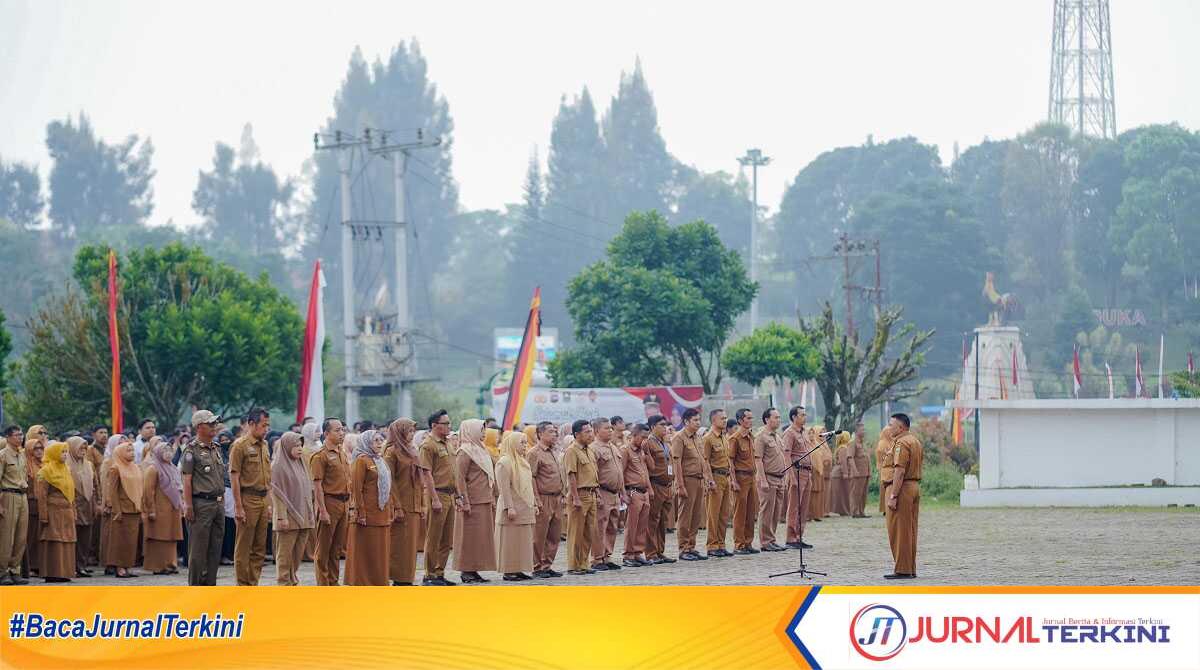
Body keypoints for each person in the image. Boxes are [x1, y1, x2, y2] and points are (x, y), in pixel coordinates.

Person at [181, 410, 227, 586]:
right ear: (200, 427)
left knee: (215, 550)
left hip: (217, 503)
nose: (215, 426)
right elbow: (186, 479)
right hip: (201, 504)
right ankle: (195, 588)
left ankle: (210, 586)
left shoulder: (215, 448)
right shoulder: (191, 450)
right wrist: (188, 506)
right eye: (211, 424)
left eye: (215, 423)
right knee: (198, 551)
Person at [229, 408, 272, 586]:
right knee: (244, 546)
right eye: (263, 425)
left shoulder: (265, 445)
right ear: (251, 424)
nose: (266, 429)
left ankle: (253, 583)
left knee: (259, 547)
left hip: (262, 499)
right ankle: (242, 584)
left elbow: (268, 477)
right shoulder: (240, 446)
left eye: (268, 425)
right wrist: (238, 507)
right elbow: (234, 477)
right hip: (247, 499)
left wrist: (268, 504)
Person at [346, 430, 392, 586]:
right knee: (366, 549)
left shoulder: (380, 460)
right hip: (368, 513)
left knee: (379, 549)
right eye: (376, 441)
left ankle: (378, 580)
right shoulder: (361, 461)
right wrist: (361, 512)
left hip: (381, 512)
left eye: (381, 440)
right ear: (366, 443)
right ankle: (363, 581)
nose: (380, 444)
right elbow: (356, 489)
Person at [453, 419, 497, 583]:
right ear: (471, 430)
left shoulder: (481, 449)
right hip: (471, 501)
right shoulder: (465, 451)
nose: (484, 432)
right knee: (469, 537)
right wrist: (464, 501)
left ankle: (474, 569)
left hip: (483, 499)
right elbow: (460, 478)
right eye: (481, 429)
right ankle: (466, 571)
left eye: (485, 429)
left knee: (479, 538)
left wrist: (491, 496)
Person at [270, 431, 315, 586]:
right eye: (295, 446)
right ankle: (283, 580)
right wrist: (282, 517)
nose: (299, 449)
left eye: (300, 445)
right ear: (287, 446)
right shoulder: (278, 466)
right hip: (288, 516)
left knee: (298, 551)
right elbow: (277, 495)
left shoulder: (302, 463)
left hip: (303, 512)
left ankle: (292, 576)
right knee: (285, 551)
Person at [419, 410, 457, 586]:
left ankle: (440, 572)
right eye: (446, 423)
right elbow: (426, 473)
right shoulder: (428, 445)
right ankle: (429, 574)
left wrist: (458, 495)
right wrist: (434, 498)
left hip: (449, 494)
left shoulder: (448, 443)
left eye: (449, 423)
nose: (449, 426)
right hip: (437, 493)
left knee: (447, 538)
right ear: (434, 425)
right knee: (433, 536)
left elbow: (452, 471)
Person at [311, 417, 351, 586]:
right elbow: (317, 486)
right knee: (324, 549)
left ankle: (333, 582)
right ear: (326, 433)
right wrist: (323, 510)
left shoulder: (341, 453)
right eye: (337, 430)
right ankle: (323, 584)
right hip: (329, 502)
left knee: (337, 548)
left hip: (344, 503)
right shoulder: (320, 456)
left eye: (342, 430)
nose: (341, 433)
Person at [382, 419, 421, 586]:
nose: (411, 434)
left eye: (413, 431)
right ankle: (398, 577)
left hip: (413, 503)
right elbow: (390, 482)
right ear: (400, 432)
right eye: (409, 431)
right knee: (400, 543)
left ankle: (407, 577)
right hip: (401, 504)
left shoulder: (411, 450)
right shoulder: (391, 452)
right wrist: (397, 506)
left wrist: (421, 504)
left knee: (411, 544)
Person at [885, 413, 923, 579]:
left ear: (900, 427)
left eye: (891, 424)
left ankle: (902, 569)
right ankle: (909, 568)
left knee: (899, 532)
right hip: (913, 486)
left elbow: (899, 471)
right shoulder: (914, 440)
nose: (889, 427)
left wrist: (893, 495)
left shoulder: (901, 443)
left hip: (902, 488)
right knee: (909, 531)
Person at [670, 408, 711, 562]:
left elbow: (703, 459)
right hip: (687, 480)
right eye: (695, 420)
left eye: (699, 420)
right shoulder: (679, 438)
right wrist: (680, 485)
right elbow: (676, 463)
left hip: (699, 480)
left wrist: (707, 478)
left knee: (696, 516)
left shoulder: (697, 437)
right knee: (685, 516)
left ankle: (691, 547)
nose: (698, 423)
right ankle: (683, 548)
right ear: (686, 421)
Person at [495, 431, 536, 581]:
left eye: (526, 442)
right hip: (512, 507)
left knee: (522, 540)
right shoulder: (504, 462)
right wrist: (509, 507)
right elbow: (504, 488)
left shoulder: (522, 460)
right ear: (512, 444)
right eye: (522, 443)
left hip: (524, 507)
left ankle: (518, 569)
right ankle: (509, 571)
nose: (525, 446)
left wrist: (534, 504)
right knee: (510, 541)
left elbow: (528, 486)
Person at [526, 422, 564, 579]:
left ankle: (547, 565)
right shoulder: (534, 453)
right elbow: (532, 477)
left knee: (554, 535)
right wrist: (536, 499)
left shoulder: (554, 451)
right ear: (540, 434)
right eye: (550, 432)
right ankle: (537, 566)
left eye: (555, 431)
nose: (555, 434)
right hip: (543, 497)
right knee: (539, 535)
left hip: (557, 498)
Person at [35, 441, 76, 582]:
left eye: (66, 452)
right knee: (54, 540)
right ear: (54, 453)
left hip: (67, 510)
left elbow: (71, 493)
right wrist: (44, 515)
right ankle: (53, 573)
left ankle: (65, 572)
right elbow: (41, 496)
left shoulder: (66, 469)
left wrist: (73, 511)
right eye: (62, 452)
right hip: (53, 511)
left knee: (67, 540)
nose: (64, 455)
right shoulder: (45, 471)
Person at [142, 439, 184, 575]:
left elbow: (178, 488)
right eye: (164, 451)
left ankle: (171, 564)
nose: (168, 453)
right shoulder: (153, 469)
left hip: (173, 509)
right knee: (160, 537)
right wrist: (151, 510)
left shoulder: (172, 467)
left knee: (171, 537)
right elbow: (148, 492)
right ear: (158, 452)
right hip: (160, 510)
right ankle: (159, 566)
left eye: (170, 450)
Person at [589, 417, 625, 572]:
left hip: (615, 493)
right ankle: (597, 558)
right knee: (599, 526)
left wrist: (622, 492)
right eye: (606, 428)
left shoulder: (613, 447)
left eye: (611, 428)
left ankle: (607, 556)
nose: (610, 430)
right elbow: (593, 474)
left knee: (612, 526)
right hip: (603, 491)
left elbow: (619, 472)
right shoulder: (594, 449)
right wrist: (596, 493)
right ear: (597, 431)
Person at [563, 419, 599, 575]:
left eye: (591, 431)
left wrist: (597, 493)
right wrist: (575, 498)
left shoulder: (589, 450)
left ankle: (584, 564)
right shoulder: (572, 451)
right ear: (577, 434)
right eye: (587, 432)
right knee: (576, 532)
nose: (590, 434)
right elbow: (571, 476)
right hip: (579, 495)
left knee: (588, 531)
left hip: (591, 494)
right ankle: (574, 566)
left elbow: (593, 473)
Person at [104, 439, 142, 578]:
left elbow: (139, 488)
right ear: (120, 453)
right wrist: (116, 510)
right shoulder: (115, 468)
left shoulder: (135, 467)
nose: (132, 453)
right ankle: (119, 567)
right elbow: (112, 491)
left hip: (134, 509)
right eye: (128, 450)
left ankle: (127, 566)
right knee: (119, 540)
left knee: (131, 541)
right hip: (122, 509)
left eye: (132, 450)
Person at [642, 415, 675, 565]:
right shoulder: (648, 443)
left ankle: (660, 551)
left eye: (666, 424)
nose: (665, 427)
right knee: (652, 521)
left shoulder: (665, 443)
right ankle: (650, 552)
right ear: (653, 426)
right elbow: (646, 468)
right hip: (656, 484)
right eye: (662, 425)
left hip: (667, 486)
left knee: (663, 521)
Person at [754, 408, 788, 552]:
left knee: (776, 511)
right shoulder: (761, 437)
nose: (778, 420)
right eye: (776, 417)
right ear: (767, 419)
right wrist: (762, 480)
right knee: (767, 511)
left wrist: (785, 477)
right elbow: (758, 460)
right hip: (768, 477)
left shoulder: (777, 437)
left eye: (779, 417)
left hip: (779, 478)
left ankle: (771, 539)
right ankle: (765, 542)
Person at [619, 423, 653, 567]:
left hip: (644, 492)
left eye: (647, 438)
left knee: (642, 525)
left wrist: (650, 489)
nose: (644, 440)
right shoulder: (625, 450)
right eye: (642, 437)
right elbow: (620, 472)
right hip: (632, 491)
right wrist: (623, 493)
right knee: (632, 525)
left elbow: (649, 469)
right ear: (633, 436)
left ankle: (638, 553)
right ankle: (628, 555)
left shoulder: (642, 451)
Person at [0, 425, 30, 585]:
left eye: (21, 435)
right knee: (7, 536)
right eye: (17, 435)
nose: (20, 438)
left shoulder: (22, 455)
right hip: (8, 495)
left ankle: (15, 569)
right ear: (8, 437)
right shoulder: (3, 455)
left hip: (22, 496)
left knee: (21, 536)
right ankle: (3, 571)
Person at [65, 437, 98, 576]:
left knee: (86, 537)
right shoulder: (65, 464)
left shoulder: (89, 465)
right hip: (73, 504)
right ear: (71, 448)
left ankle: (81, 565)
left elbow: (96, 485)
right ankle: (71, 566)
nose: (83, 451)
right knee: (73, 537)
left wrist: (98, 502)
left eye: (85, 448)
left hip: (88, 504)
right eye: (80, 448)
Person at [781, 406, 813, 550]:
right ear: (794, 417)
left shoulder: (804, 433)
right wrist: (791, 476)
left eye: (805, 415)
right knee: (794, 506)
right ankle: (790, 537)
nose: (805, 417)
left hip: (807, 473)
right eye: (802, 415)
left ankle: (799, 535)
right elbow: (786, 455)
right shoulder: (789, 433)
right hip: (796, 472)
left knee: (804, 507)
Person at [22, 425, 47, 578]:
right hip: (29, 504)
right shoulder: (25, 464)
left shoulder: (44, 464)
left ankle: (38, 564)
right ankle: (28, 565)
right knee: (29, 536)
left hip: (41, 504)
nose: (39, 451)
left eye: (41, 448)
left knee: (39, 535)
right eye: (36, 448)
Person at [850, 422, 872, 518]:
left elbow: (867, 458)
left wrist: (869, 471)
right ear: (856, 431)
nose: (864, 431)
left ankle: (862, 511)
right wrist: (854, 471)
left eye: (864, 429)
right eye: (862, 429)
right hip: (858, 472)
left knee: (864, 493)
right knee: (856, 493)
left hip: (865, 472)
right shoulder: (852, 443)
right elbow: (850, 458)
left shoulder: (863, 443)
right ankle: (855, 512)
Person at [831, 431, 854, 516]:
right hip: (840, 473)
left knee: (843, 492)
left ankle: (845, 510)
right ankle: (845, 510)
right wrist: (845, 473)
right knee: (844, 493)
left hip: (839, 472)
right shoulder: (843, 448)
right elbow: (843, 462)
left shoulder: (841, 447)